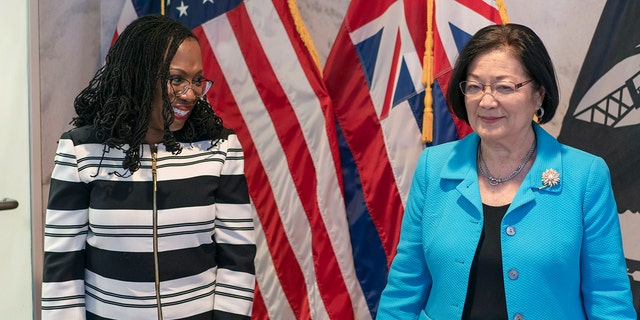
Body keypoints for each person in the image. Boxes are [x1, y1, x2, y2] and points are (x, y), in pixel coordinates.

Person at [376, 23, 637, 319]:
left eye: (504, 87)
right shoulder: (433, 167)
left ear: (539, 93)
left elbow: (608, 297)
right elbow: (404, 286)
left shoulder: (585, 176)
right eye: (474, 86)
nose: (486, 101)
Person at [41, 15, 256, 320]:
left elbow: (238, 259)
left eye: (197, 80)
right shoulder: (82, 151)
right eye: (177, 79)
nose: (191, 93)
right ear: (139, 77)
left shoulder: (220, 148)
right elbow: (63, 271)